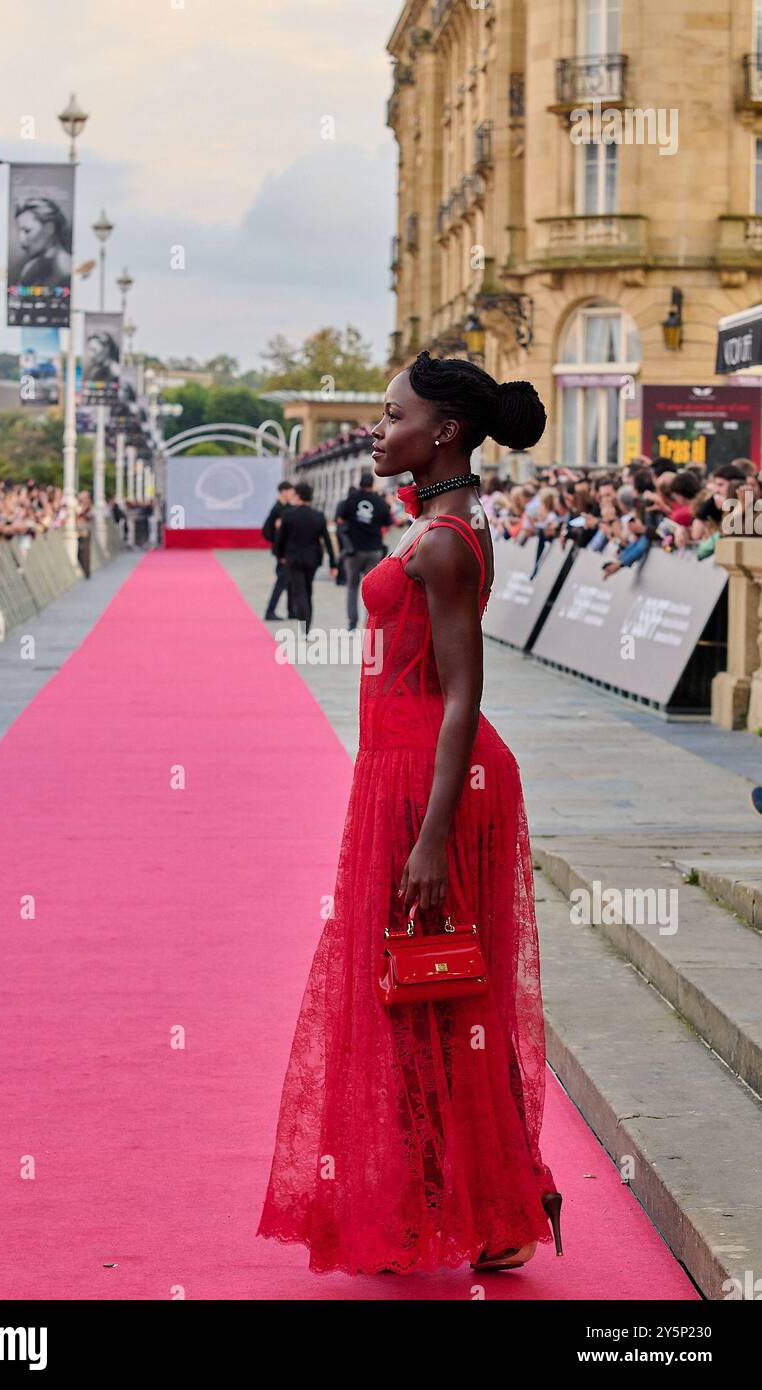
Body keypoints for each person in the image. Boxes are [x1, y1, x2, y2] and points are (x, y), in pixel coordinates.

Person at [258, 350, 562, 1276]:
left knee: (441, 990)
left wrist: (432, 837)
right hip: (402, 771)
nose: (377, 432)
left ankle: (489, 1210)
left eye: (393, 418)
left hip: (437, 781)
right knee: (413, 993)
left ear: (446, 434)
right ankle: (435, 1201)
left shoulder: (443, 542)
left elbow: (465, 692)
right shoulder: (431, 526)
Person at [274, 482, 337, 635]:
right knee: (308, 590)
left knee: (299, 592)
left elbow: (281, 539)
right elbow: (327, 541)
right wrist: (333, 564)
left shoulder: (288, 515)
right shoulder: (318, 516)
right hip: (313, 559)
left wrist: (280, 555)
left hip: (293, 558)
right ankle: (307, 627)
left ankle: (304, 629)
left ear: (299, 496)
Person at [335, 470, 392, 630]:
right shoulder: (379, 502)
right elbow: (387, 522)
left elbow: (340, 517)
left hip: (354, 550)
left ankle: (352, 624)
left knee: (352, 587)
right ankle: (369, 622)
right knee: (371, 589)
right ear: (372, 485)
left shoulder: (351, 499)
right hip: (374, 549)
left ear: (360, 484)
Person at [13, 198, 72, 288]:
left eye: (27, 231)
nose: (22, 241)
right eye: (20, 232)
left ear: (49, 228)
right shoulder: (31, 267)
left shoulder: (66, 270)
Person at [261, 481, 296, 620]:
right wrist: (276, 540)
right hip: (283, 552)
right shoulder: (277, 509)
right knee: (281, 582)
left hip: (289, 550)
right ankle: (270, 611)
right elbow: (266, 530)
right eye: (290, 492)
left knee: (290, 582)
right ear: (283, 492)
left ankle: (291, 611)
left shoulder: (288, 508)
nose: (292, 495)